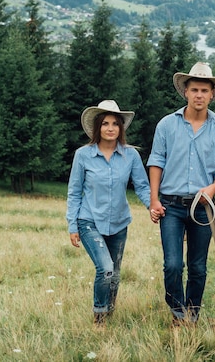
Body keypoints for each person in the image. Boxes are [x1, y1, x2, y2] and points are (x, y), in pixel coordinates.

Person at [147, 62, 215, 326]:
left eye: (204, 90)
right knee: (172, 265)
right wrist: (153, 200)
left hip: (202, 209)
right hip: (171, 205)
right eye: (194, 89)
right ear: (185, 92)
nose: (199, 95)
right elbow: (156, 161)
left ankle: (192, 314)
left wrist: (212, 189)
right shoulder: (166, 125)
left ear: (211, 94)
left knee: (198, 267)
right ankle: (177, 312)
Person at [66, 100, 150, 328]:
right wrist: (72, 225)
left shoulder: (130, 156)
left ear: (121, 128)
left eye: (115, 123)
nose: (110, 128)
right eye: (105, 123)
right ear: (97, 128)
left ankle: (110, 311)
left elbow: (141, 186)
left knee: (115, 273)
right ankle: (99, 316)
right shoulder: (83, 155)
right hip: (89, 220)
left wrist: (152, 206)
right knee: (105, 269)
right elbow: (74, 192)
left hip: (119, 223)